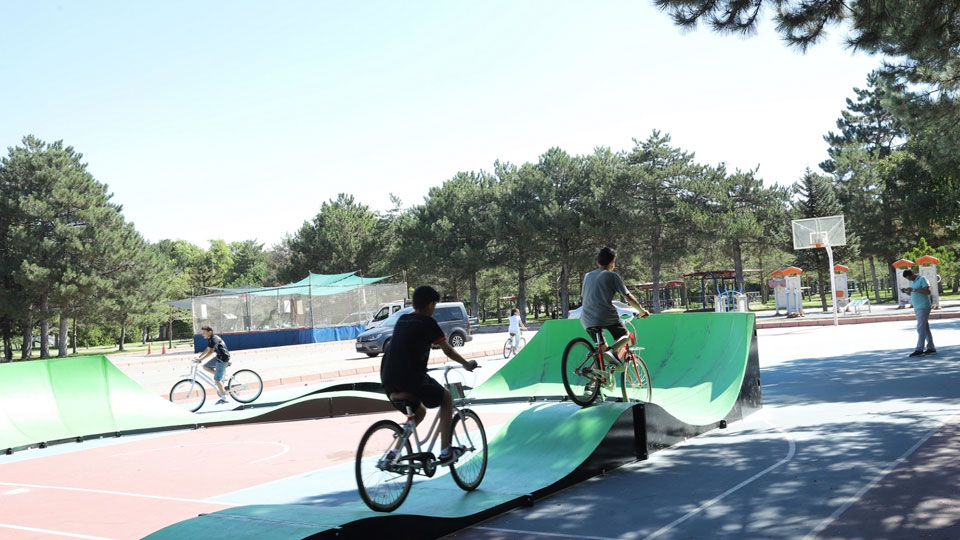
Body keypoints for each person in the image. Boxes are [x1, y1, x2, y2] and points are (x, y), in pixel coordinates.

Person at [380, 285, 478, 465]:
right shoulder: (427, 322)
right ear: (430, 304)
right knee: (446, 398)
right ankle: (446, 451)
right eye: (434, 305)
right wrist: (466, 364)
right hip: (411, 378)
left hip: (388, 379)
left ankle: (394, 452)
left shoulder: (402, 319)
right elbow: (447, 349)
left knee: (419, 413)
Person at [580, 246, 650, 365]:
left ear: (598, 262)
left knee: (602, 354)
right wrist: (642, 311)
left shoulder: (587, 276)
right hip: (604, 316)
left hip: (586, 319)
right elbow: (628, 297)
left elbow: (586, 296)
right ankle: (612, 351)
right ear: (613, 263)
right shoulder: (612, 275)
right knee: (626, 336)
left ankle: (594, 381)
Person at [902, 269, 936, 357]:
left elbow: (927, 292)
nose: (909, 280)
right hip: (917, 307)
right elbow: (913, 293)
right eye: (907, 279)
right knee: (925, 328)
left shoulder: (922, 279)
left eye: (910, 277)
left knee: (920, 328)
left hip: (924, 306)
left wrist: (914, 289)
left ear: (913, 273)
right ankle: (931, 348)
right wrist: (907, 291)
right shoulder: (911, 282)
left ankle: (919, 349)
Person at [196, 325, 232, 404]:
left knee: (217, 380)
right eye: (202, 332)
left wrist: (201, 359)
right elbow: (207, 349)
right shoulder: (210, 339)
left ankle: (224, 398)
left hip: (223, 358)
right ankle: (220, 377)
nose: (203, 334)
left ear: (210, 332)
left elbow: (211, 351)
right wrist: (199, 357)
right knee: (205, 366)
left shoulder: (214, 338)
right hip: (219, 357)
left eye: (204, 333)